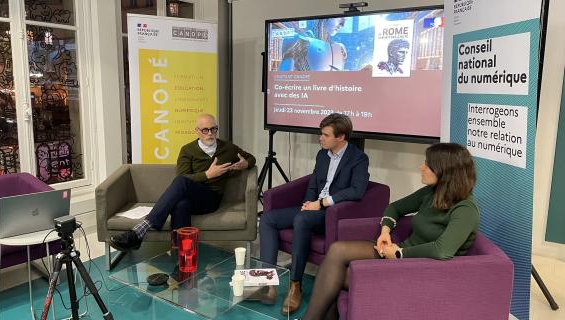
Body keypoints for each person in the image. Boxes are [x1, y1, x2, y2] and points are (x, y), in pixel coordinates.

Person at [300, 143, 479, 320]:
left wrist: (399, 253)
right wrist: (385, 232)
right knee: (337, 251)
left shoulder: (466, 209)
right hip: (399, 255)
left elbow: (442, 250)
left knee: (336, 276)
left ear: (444, 171)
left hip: (422, 271)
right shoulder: (433, 192)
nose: (421, 167)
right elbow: (395, 208)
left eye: (427, 164)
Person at [259, 113, 369, 315]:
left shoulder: (358, 158)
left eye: (325, 135)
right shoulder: (322, 155)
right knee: (267, 218)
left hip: (332, 213)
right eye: (321, 134)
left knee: (302, 219)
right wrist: (306, 203)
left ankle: (295, 285)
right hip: (313, 208)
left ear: (341, 137)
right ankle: (268, 283)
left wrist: (322, 203)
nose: (320, 138)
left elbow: (357, 190)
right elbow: (313, 184)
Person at [110, 113, 256, 251]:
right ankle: (182, 254)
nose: (210, 133)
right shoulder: (187, 150)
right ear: (197, 131)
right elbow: (184, 177)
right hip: (191, 196)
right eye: (205, 130)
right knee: (181, 204)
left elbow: (251, 158)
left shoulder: (228, 148)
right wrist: (208, 174)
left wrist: (245, 164)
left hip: (211, 199)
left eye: (213, 129)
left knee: (181, 185)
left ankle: (140, 230)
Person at [279, 17, 347, 71]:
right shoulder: (299, 42)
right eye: (340, 18)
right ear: (323, 19)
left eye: (344, 20)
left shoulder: (339, 48)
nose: (342, 25)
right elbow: (284, 78)